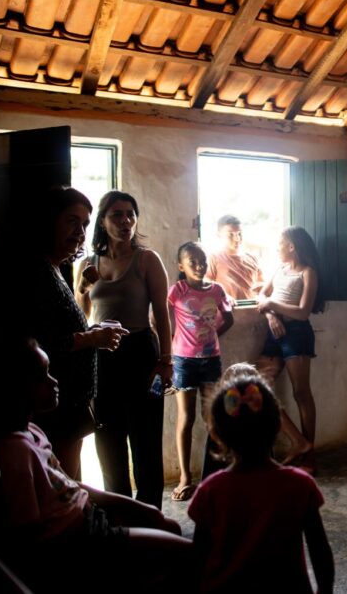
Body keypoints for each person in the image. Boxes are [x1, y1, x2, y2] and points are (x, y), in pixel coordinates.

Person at [0, 336, 191, 593]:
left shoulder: (33, 431)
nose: (54, 382)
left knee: (168, 526)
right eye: (41, 377)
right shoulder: (15, 452)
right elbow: (29, 540)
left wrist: (133, 505)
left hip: (92, 520)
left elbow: (70, 486)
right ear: (16, 389)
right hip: (87, 540)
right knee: (187, 553)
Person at [188, 371, 334, 594]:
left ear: (216, 435)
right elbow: (320, 552)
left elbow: (198, 559)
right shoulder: (299, 485)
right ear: (277, 426)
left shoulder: (211, 491)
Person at [76, 190, 173, 508]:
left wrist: (166, 362)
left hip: (141, 353)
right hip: (102, 358)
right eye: (117, 214)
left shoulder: (147, 260)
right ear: (103, 222)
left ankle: (150, 516)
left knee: (145, 443)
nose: (125, 220)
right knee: (108, 441)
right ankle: (120, 518)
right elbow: (83, 316)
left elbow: (162, 313)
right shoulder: (88, 264)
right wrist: (83, 288)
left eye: (130, 214)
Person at [30, 186, 127, 480]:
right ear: (49, 220)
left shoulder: (55, 269)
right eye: (72, 221)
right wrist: (92, 338)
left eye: (84, 224)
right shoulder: (36, 272)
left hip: (71, 405)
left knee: (72, 481)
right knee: (65, 489)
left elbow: (63, 328)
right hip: (56, 407)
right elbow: (41, 342)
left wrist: (92, 330)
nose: (80, 232)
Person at [167, 242, 234, 501]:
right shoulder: (177, 290)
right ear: (181, 266)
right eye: (192, 262)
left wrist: (211, 337)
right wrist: (174, 341)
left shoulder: (217, 290)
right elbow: (158, 317)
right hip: (183, 362)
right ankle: (185, 477)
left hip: (211, 361)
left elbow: (228, 318)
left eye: (203, 261)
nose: (199, 266)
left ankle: (214, 476)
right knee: (186, 418)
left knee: (212, 418)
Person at [255, 226, 324, 471]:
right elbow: (262, 298)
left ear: (292, 247)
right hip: (275, 333)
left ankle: (309, 457)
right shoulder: (280, 269)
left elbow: (303, 312)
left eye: (280, 244)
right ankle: (298, 441)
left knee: (301, 393)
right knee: (259, 387)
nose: (276, 248)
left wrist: (272, 303)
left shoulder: (308, 272)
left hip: (297, 334)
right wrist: (271, 316)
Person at [205, 214, 265, 301]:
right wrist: (223, 296)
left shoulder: (252, 258)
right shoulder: (214, 258)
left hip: (252, 308)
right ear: (219, 235)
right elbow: (206, 282)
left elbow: (262, 284)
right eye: (231, 235)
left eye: (239, 234)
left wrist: (261, 294)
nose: (237, 238)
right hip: (228, 309)